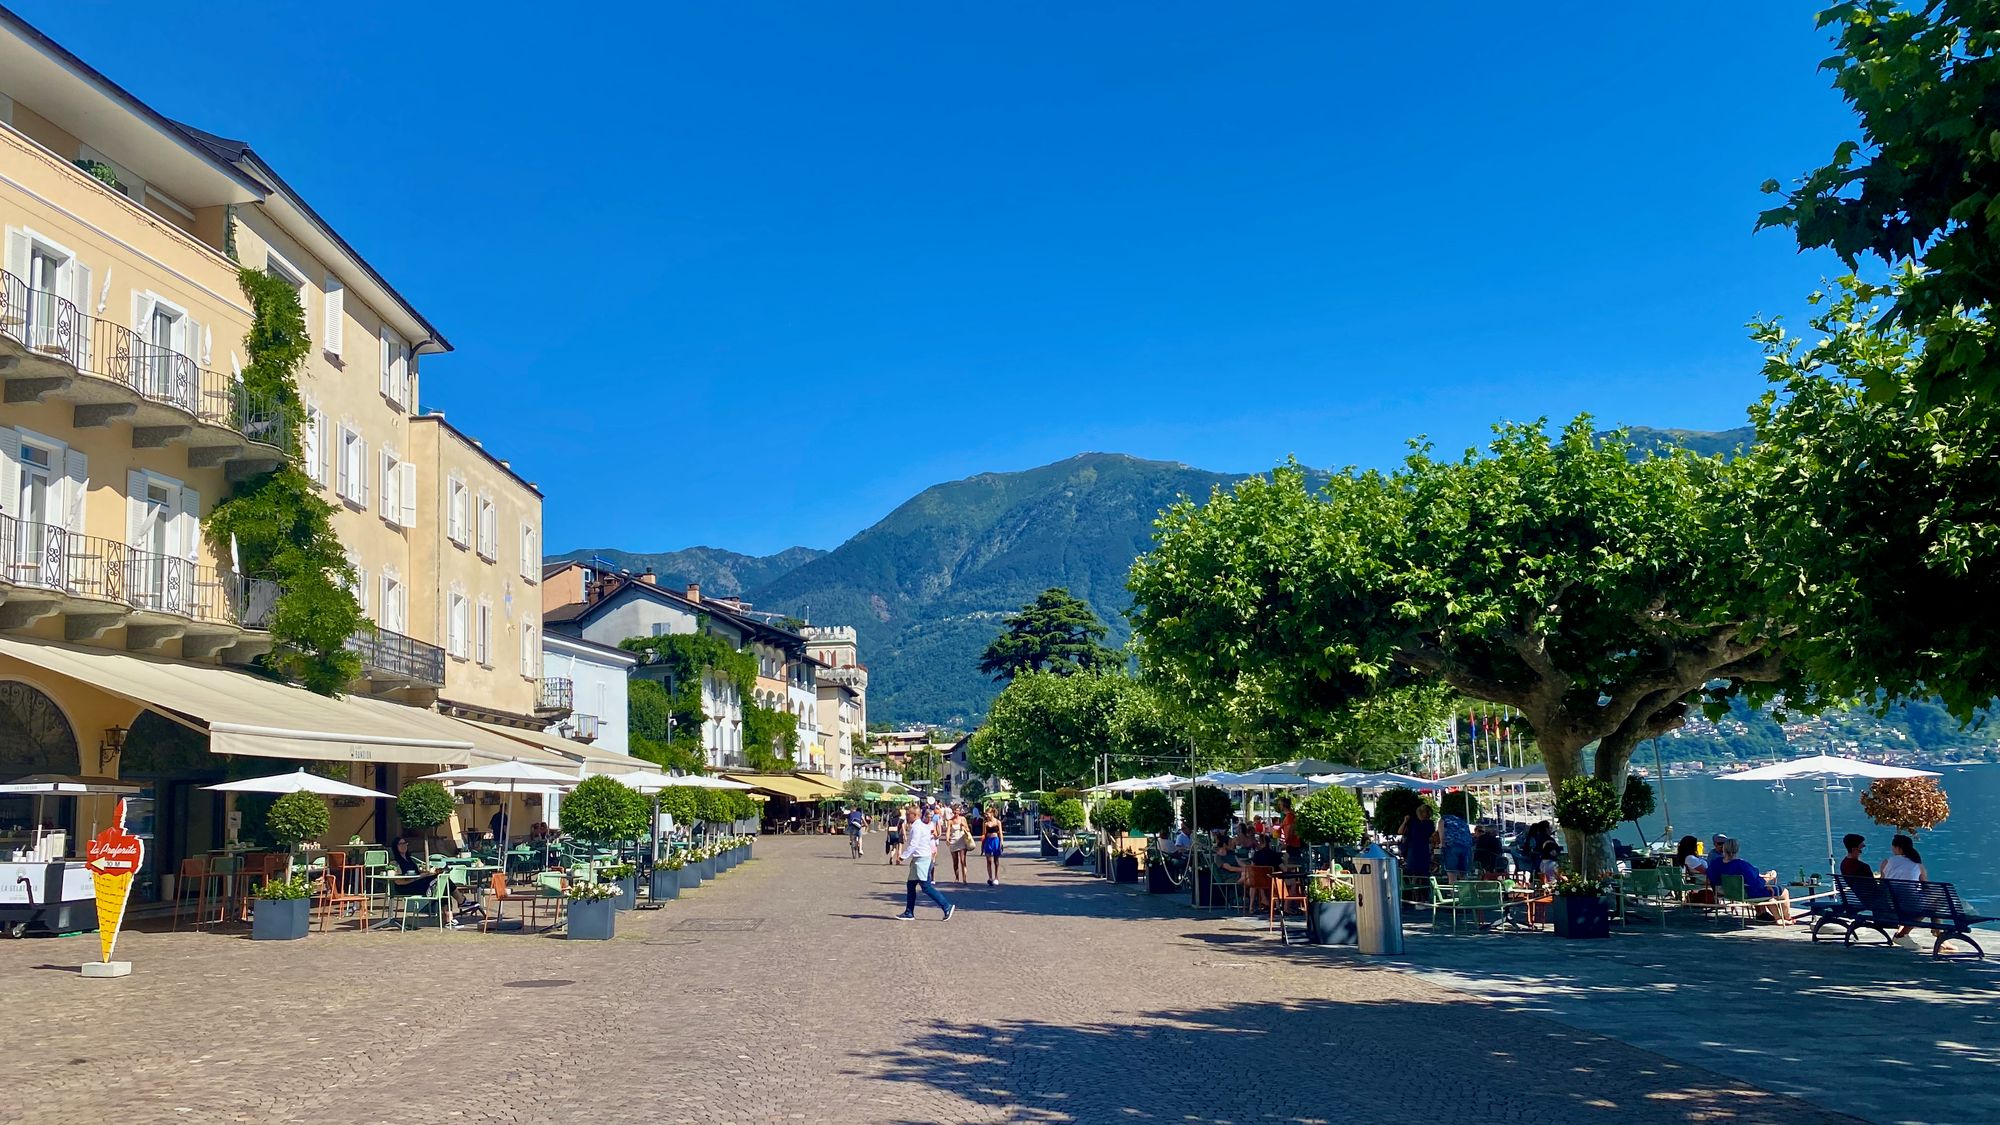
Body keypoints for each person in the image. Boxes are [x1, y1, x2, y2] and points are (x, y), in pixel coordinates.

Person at [1706, 837, 1794, 924]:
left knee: (1769, 892)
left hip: (1727, 892)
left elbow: (1711, 876)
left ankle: (1778, 918)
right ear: (1737, 850)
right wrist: (1769, 877)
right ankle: (1787, 918)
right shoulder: (1741, 865)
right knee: (1784, 892)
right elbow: (1756, 883)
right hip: (1747, 894)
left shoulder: (1715, 863)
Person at [896, 805, 955, 921]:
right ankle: (909, 912)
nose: (907, 817)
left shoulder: (917, 827)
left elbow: (914, 844)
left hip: (921, 859)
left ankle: (946, 906)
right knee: (911, 885)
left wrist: (902, 857)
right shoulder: (921, 826)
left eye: (909, 815)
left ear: (915, 815)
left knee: (926, 887)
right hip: (920, 858)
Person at [1880, 833, 1929, 944]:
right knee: (1929, 908)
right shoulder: (1918, 865)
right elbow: (1927, 886)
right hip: (1910, 904)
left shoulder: (1886, 862)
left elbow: (1883, 884)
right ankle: (1902, 935)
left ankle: (1901, 935)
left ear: (1898, 848)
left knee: (1920, 905)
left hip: (1892, 904)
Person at [1400, 803, 1436, 879]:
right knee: (1420, 872)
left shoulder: (1417, 823)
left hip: (1415, 850)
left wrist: (1405, 821)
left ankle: (1417, 888)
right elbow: (1400, 831)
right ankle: (1421, 888)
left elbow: (1400, 831)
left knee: (1416, 872)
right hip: (1419, 850)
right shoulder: (1428, 823)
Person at [1438, 806, 1473, 881]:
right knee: (1463, 873)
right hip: (1466, 847)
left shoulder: (1445, 818)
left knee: (1452, 873)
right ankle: (1463, 891)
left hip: (1452, 845)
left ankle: (1453, 892)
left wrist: (1442, 842)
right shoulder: (1464, 823)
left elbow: (1441, 828)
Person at [946, 804, 973, 883]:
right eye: (954, 810)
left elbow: (968, 829)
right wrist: (947, 839)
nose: (956, 812)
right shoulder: (950, 821)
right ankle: (957, 877)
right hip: (953, 841)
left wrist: (964, 825)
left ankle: (964, 878)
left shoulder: (963, 819)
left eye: (957, 810)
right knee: (955, 861)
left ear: (960, 811)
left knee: (962, 860)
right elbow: (948, 831)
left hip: (961, 840)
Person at [980, 804, 1004, 884]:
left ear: (992, 813)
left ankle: (996, 877)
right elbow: (984, 834)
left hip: (995, 840)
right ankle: (990, 877)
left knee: (996, 860)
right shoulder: (985, 823)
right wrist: (982, 844)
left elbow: (1000, 833)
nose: (986, 815)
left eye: (987, 814)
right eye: (986, 814)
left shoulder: (998, 822)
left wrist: (1001, 842)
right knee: (988, 860)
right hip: (988, 841)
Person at [1275, 796, 1303, 864]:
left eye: (1280, 804)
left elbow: (1289, 831)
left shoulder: (1289, 817)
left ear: (1284, 805)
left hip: (1292, 844)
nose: (1279, 806)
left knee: (1292, 864)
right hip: (1294, 844)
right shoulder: (1292, 815)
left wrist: (1285, 843)